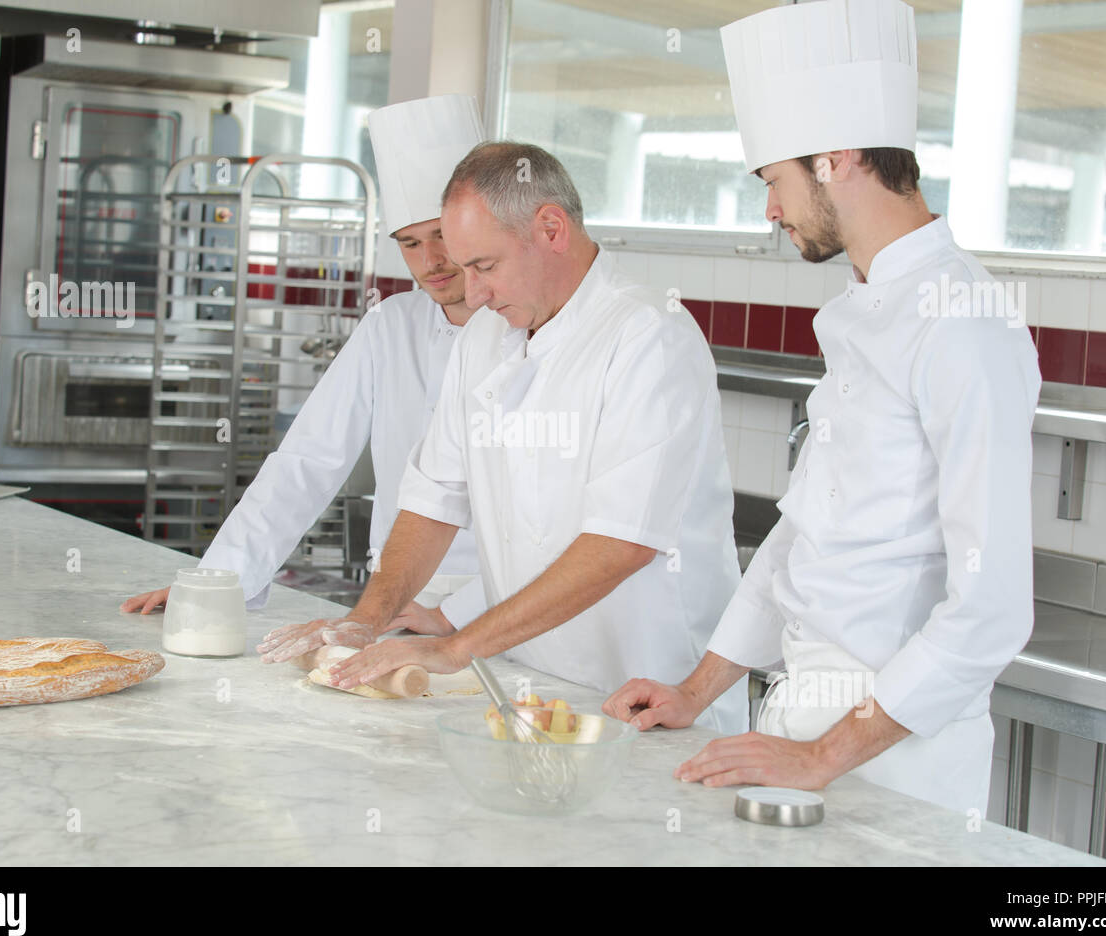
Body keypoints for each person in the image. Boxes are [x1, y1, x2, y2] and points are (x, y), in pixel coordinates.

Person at [603, 0, 1041, 816]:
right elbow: (803, 537)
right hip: (802, 717)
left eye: (773, 180)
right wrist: (696, 691)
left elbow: (990, 609)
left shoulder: (964, 324)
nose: (770, 210)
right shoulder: (860, 309)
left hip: (900, 749)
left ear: (836, 160)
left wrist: (824, 754)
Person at [260, 142, 748, 733]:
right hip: (531, 678)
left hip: (650, 688)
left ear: (550, 228)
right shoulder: (484, 339)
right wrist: (366, 618)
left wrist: (456, 646)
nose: (472, 295)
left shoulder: (648, 335)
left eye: (484, 266)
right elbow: (433, 498)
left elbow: (622, 543)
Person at [122, 94, 487, 635]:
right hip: (400, 599)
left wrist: (460, 614)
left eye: (441, 237)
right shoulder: (391, 324)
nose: (429, 262)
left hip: (504, 597)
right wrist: (217, 583)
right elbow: (307, 459)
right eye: (410, 244)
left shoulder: (529, 330)